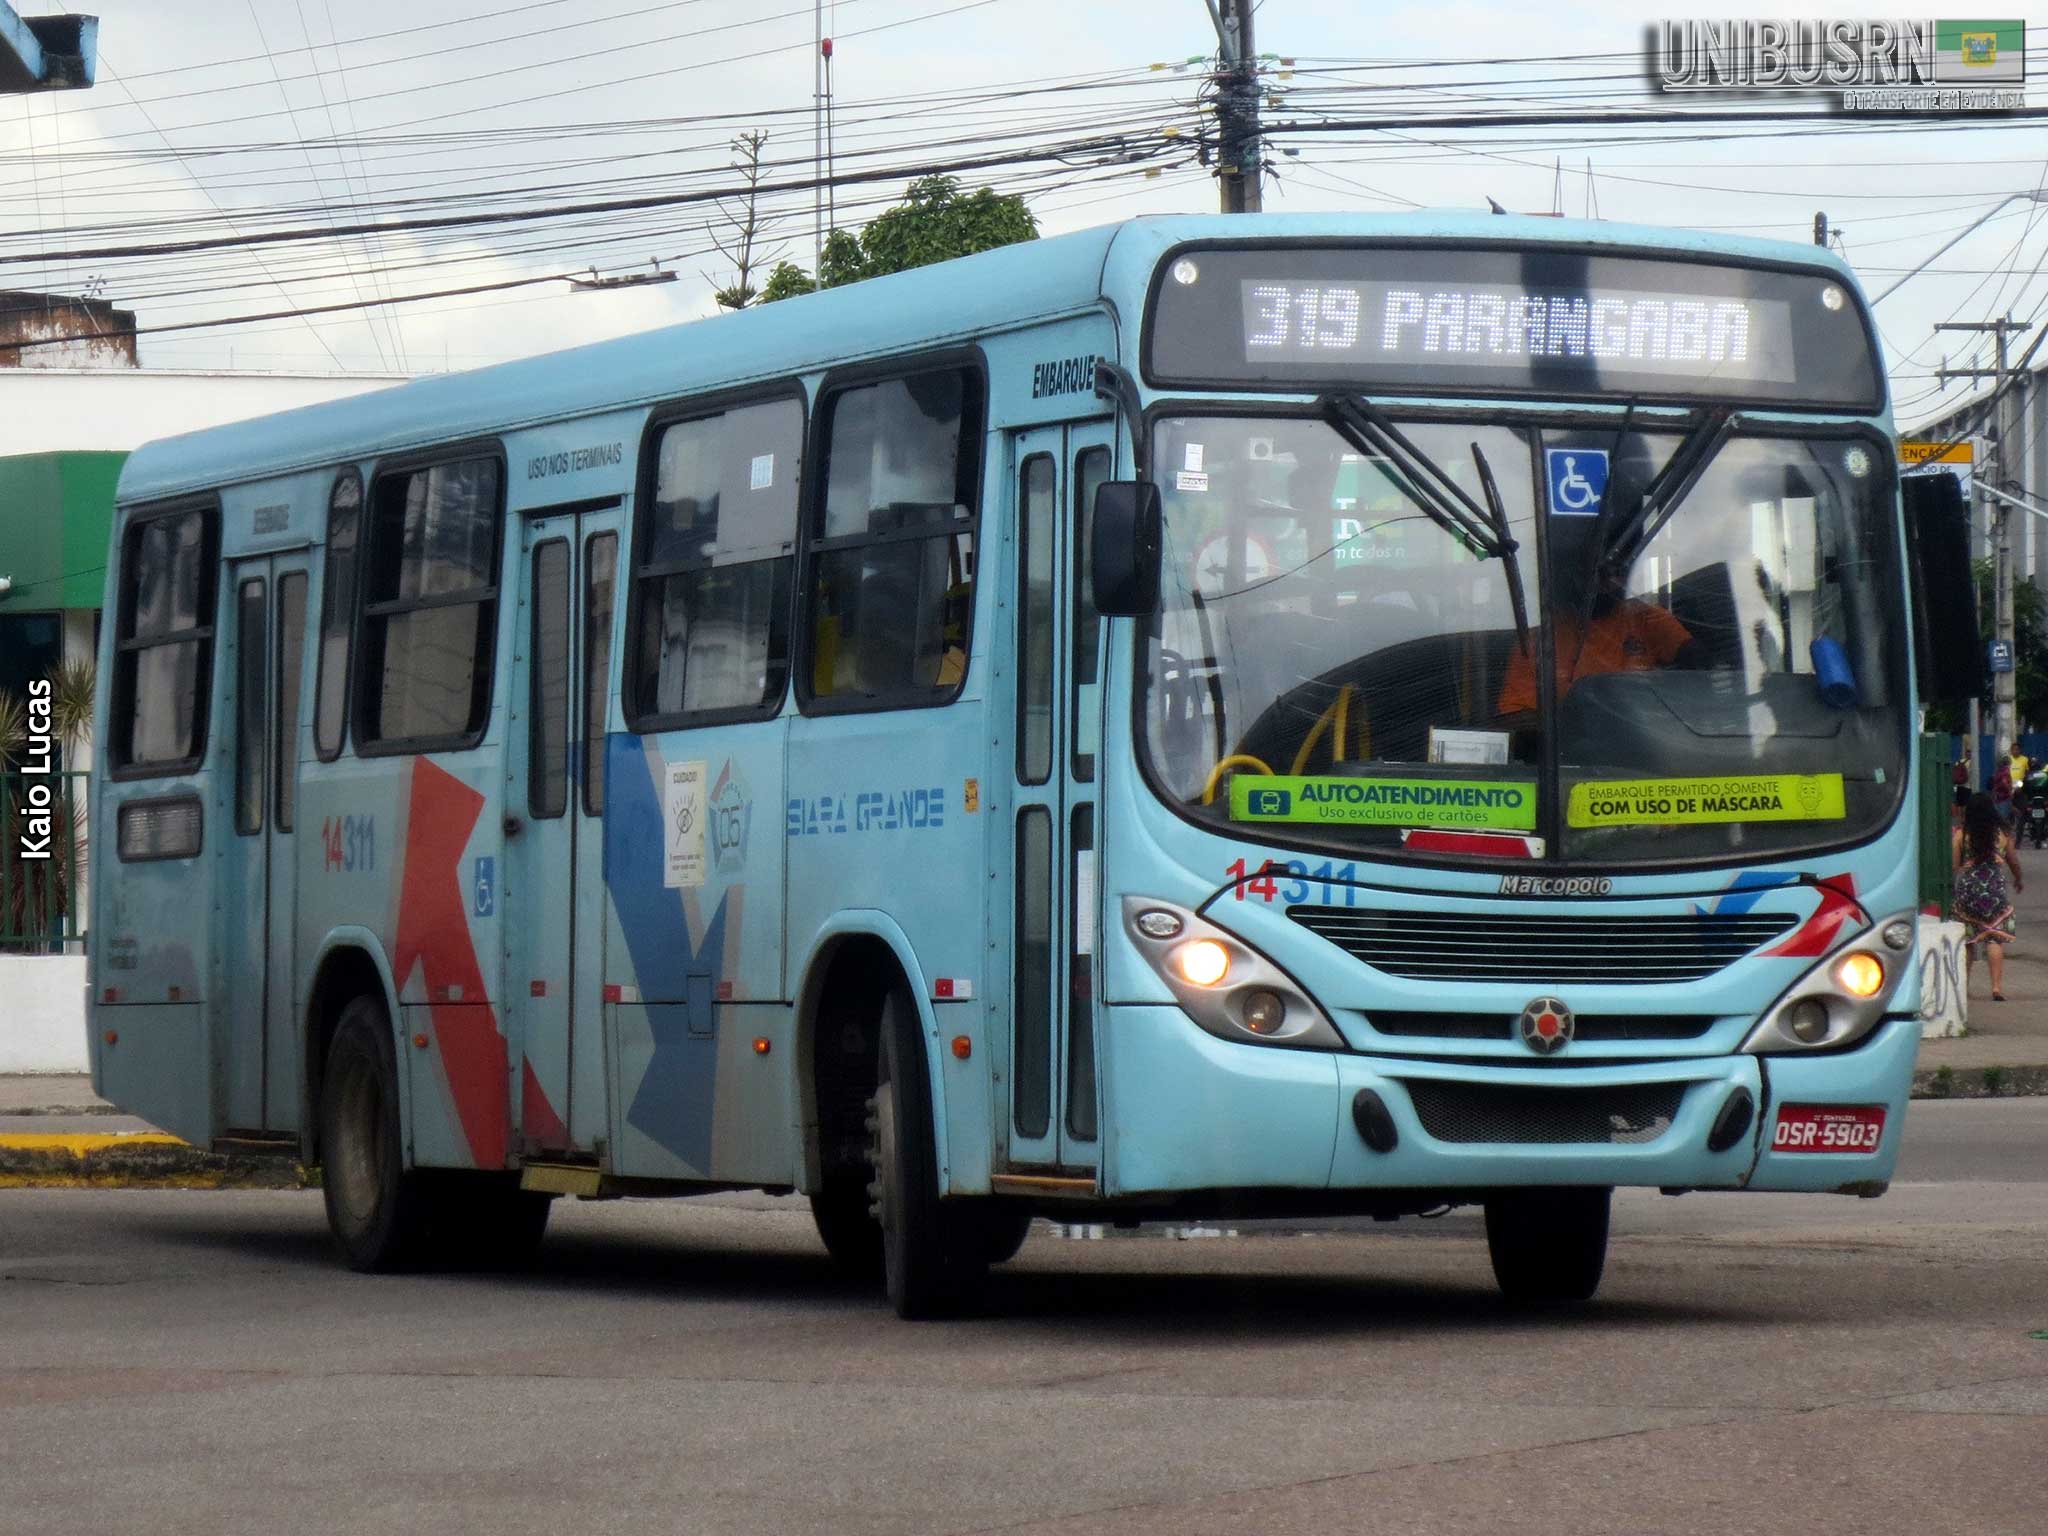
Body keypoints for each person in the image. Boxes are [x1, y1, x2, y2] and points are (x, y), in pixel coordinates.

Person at [1496, 562, 1702, 716]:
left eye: (1615, 572)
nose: (1608, 583)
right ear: (1571, 576)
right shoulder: (1539, 641)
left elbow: (1704, 669)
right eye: (1597, 573)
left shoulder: (1646, 618)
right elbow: (1515, 717)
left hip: (1649, 739)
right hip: (1572, 751)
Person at [1954, 790, 2023, 1002]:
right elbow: (2013, 861)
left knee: (1968, 941)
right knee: (1994, 938)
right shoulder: (2002, 835)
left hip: (1968, 892)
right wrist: (2018, 879)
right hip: (1994, 892)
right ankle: (1996, 988)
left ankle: (1964, 988)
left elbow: (1954, 866)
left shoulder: (1962, 835)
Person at [1992, 753, 2015, 827]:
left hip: (1997, 797)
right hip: (2004, 797)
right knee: (2004, 817)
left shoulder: (1998, 771)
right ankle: (2005, 831)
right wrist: (2010, 792)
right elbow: (2004, 783)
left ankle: (2000, 830)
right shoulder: (2006, 771)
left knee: (1998, 817)